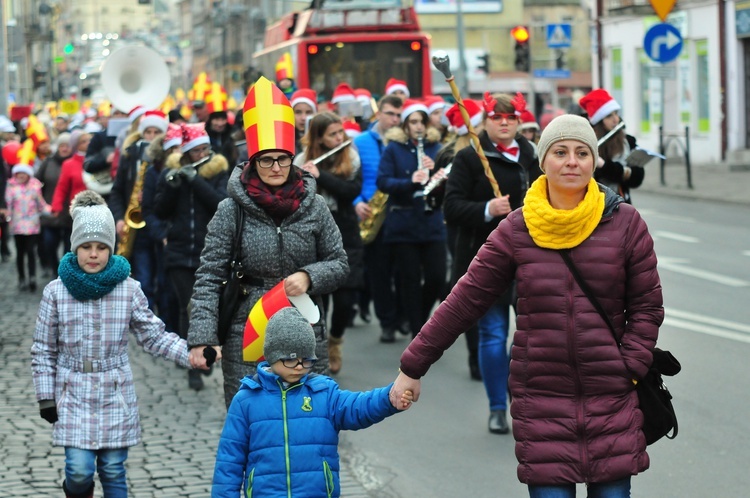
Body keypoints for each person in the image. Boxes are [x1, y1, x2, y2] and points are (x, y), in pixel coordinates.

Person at [391, 114, 664, 497]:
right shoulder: (518, 229)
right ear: (543, 161)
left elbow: (647, 306)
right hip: (542, 397)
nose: (572, 161)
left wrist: (630, 367)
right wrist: (412, 366)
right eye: (561, 152)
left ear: (593, 160)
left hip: (610, 394)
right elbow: (465, 299)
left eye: (583, 152)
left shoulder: (625, 223)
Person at [187, 77, 349, 408]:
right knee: (252, 424)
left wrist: (309, 276)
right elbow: (208, 276)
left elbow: (340, 263)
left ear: (293, 159)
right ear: (253, 161)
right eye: (266, 160)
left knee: (309, 419)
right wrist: (202, 338)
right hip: (245, 331)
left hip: (304, 327)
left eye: (282, 159)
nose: (275, 167)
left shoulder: (314, 206)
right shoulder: (231, 210)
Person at [30, 190, 204, 498]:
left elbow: (153, 335)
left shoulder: (128, 290)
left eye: (101, 247)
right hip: (72, 390)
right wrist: (46, 397)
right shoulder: (56, 292)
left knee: (112, 469)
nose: (93, 254)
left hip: (114, 390)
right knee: (79, 471)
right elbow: (43, 350)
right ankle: (75, 491)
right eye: (86, 247)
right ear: (75, 248)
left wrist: (188, 354)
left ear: (112, 249)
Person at [211, 307, 413, 497]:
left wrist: (390, 397)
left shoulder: (323, 393)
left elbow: (359, 406)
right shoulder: (246, 400)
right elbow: (229, 462)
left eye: (307, 360)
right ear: (272, 357)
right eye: (291, 359)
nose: (299, 367)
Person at [443, 92, 541, 434]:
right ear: (485, 121)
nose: (504, 122)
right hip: (487, 260)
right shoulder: (470, 158)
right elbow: (451, 208)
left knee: (529, 338)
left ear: (518, 120)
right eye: (497, 116)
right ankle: (497, 407)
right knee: (493, 333)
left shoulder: (533, 156)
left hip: (532, 260)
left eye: (510, 116)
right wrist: (488, 209)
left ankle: (520, 396)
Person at [154, 122, 229, 391]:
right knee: (190, 306)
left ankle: (208, 353)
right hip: (178, 251)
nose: (201, 155)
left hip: (210, 253)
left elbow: (220, 203)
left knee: (212, 307)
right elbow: (160, 210)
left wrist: (195, 179)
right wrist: (174, 185)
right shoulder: (171, 174)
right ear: (185, 154)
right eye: (195, 151)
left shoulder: (218, 171)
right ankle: (193, 365)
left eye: (204, 149)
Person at [295, 111, 364, 374]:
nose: (339, 138)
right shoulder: (303, 160)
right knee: (318, 299)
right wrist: (304, 176)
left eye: (340, 132)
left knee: (347, 299)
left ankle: (335, 340)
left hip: (346, 230)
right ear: (320, 139)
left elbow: (351, 192)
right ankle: (318, 349)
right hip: (314, 235)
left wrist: (323, 177)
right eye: (333, 134)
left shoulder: (352, 157)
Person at [376, 99, 446, 340]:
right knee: (410, 280)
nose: (418, 127)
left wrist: (437, 172)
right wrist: (410, 181)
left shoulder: (436, 148)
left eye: (422, 122)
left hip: (431, 221)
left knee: (437, 277)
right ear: (405, 125)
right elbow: (383, 182)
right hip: (404, 223)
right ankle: (418, 333)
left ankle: (421, 319)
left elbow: (451, 182)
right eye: (413, 122)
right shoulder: (393, 149)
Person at [433, 99, 485, 380]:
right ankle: (476, 356)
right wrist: (439, 182)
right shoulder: (449, 155)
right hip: (462, 233)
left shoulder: (489, 151)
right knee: (471, 294)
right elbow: (437, 202)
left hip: (493, 228)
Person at [353, 94, 404, 341]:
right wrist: (357, 202)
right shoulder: (360, 142)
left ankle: (401, 315)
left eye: (398, 115)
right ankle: (387, 321)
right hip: (372, 213)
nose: (394, 119)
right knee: (379, 272)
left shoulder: (406, 141)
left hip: (400, 211)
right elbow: (350, 175)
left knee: (403, 270)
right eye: (390, 114)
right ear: (378, 114)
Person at [579, 88, 644, 204]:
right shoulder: (586, 142)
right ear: (599, 121)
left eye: (616, 114)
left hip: (621, 203)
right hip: (593, 203)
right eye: (609, 116)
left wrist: (605, 166)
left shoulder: (628, 141)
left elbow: (637, 178)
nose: (616, 120)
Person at [1, 162, 50, 291]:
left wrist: (51, 210)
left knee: (31, 251)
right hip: (17, 225)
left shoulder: (35, 187)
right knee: (20, 253)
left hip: (32, 225)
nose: (21, 176)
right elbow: (8, 204)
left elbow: (40, 204)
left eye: (24, 173)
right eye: (19, 173)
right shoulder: (11, 187)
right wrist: (5, 214)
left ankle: (32, 277)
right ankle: (22, 277)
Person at [35, 132, 72, 278]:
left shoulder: (77, 163)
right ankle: (53, 267)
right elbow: (36, 183)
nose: (64, 149)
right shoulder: (48, 162)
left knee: (68, 247)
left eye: (67, 146)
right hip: (51, 212)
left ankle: (64, 272)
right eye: (62, 145)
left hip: (70, 213)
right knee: (49, 243)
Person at [290, 88, 317, 155]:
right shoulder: (285, 139)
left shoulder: (321, 138)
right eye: (298, 112)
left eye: (308, 112)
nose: (303, 118)